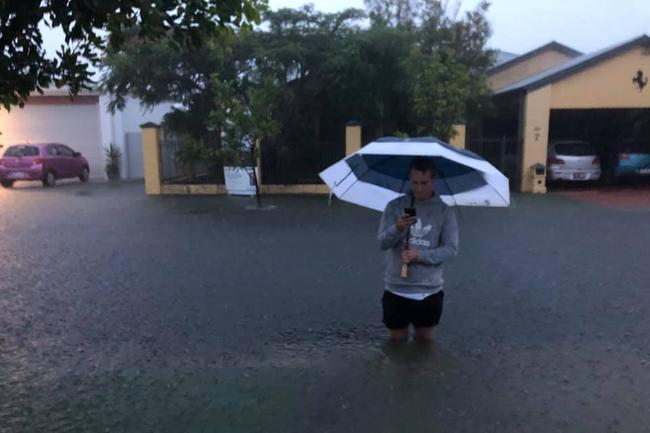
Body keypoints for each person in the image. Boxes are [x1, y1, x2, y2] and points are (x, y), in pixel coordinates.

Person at [377, 156, 459, 342]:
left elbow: (451, 249)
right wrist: (397, 228)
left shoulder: (444, 211)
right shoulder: (395, 206)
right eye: (415, 183)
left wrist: (419, 255)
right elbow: (382, 243)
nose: (419, 188)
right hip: (396, 288)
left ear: (433, 179)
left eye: (424, 183)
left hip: (428, 290)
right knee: (396, 346)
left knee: (425, 346)